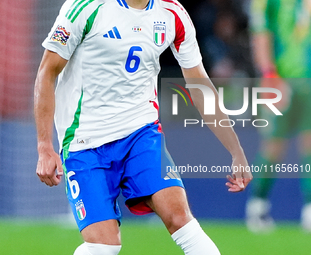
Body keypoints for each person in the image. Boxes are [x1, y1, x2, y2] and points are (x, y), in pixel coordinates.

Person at [34, 0, 252, 254]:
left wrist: (236, 151)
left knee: (181, 220)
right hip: (86, 142)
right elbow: (47, 72)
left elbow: (200, 85)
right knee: (103, 247)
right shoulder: (86, 7)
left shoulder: (173, 14)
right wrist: (44, 146)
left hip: (141, 133)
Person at [246, 0, 311, 232]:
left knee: (309, 145)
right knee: (273, 147)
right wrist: (269, 75)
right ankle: (258, 206)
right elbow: (261, 34)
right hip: (281, 80)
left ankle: (309, 210)